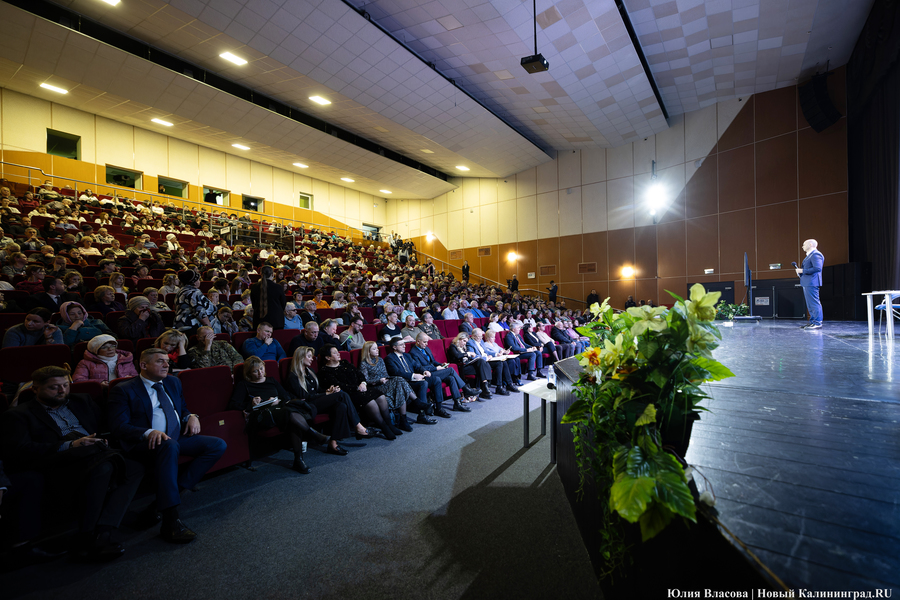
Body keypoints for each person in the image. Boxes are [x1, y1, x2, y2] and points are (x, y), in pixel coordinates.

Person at [0, 366, 144, 562]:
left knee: (134, 467)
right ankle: (88, 535)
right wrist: (71, 444)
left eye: (65, 385)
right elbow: (22, 450)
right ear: (35, 389)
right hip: (60, 461)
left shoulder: (82, 400)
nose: (62, 391)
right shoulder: (19, 414)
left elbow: (104, 426)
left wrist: (102, 440)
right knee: (107, 465)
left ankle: (103, 530)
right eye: (54, 387)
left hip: (96, 452)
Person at [108, 348, 227, 543]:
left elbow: (182, 408)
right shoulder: (124, 389)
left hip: (176, 437)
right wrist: (147, 432)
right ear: (143, 365)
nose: (166, 365)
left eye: (167, 361)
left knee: (217, 445)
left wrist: (191, 416)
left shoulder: (173, 382)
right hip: (145, 443)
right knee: (169, 446)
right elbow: (118, 426)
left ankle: (160, 503)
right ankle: (171, 521)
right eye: (160, 361)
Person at [230, 356, 330, 474]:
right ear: (249, 373)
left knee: (292, 419)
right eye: (255, 371)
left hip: (278, 409)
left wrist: (277, 401)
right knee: (289, 413)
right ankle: (312, 434)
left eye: (261, 369)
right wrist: (250, 403)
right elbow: (234, 404)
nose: (260, 373)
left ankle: (299, 460)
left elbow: (286, 396)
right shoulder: (244, 385)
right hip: (261, 415)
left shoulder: (271, 380)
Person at [283, 346, 372, 456]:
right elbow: (305, 396)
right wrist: (326, 394)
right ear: (301, 358)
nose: (312, 359)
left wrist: (328, 390)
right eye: (309, 356)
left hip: (316, 401)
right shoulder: (293, 376)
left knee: (341, 406)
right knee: (342, 395)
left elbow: (317, 389)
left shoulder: (309, 371)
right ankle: (358, 426)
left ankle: (333, 443)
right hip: (308, 406)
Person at [317, 345, 403, 439]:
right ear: (327, 357)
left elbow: (359, 374)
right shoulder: (324, 371)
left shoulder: (345, 363)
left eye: (338, 351)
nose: (338, 354)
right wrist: (357, 388)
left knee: (381, 397)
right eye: (335, 352)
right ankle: (384, 427)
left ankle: (389, 424)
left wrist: (363, 383)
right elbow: (339, 385)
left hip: (361, 388)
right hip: (349, 393)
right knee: (371, 402)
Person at [408, 332, 477, 411]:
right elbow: (420, 368)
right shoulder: (413, 353)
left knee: (451, 378)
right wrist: (436, 369)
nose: (426, 344)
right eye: (424, 342)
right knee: (451, 370)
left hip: (434, 371)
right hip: (427, 375)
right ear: (418, 341)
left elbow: (433, 361)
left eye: (427, 342)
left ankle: (457, 403)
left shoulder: (426, 348)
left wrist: (441, 364)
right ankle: (465, 389)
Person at [357, 341, 414, 431]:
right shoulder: (364, 364)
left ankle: (403, 419)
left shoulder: (380, 360)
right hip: (375, 387)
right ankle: (415, 404)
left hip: (385, 383)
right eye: (374, 348)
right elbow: (365, 380)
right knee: (399, 381)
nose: (377, 350)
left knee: (399, 383)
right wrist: (379, 380)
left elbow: (385, 374)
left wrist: (386, 379)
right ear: (368, 351)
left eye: (377, 348)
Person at [384, 337, 437, 424]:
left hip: (413, 380)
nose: (404, 346)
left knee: (436, 379)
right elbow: (396, 373)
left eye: (404, 344)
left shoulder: (407, 356)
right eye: (401, 345)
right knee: (423, 383)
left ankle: (438, 408)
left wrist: (424, 371)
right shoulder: (389, 358)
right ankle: (422, 415)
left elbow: (417, 366)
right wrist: (413, 375)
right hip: (403, 383)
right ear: (394, 347)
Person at [72, 334, 139, 385]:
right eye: (104, 347)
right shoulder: (85, 363)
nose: (110, 349)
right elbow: (78, 380)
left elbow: (136, 377)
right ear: (96, 350)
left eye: (113, 346)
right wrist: (99, 383)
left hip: (125, 390)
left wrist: (129, 378)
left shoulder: (125, 359)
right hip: (100, 393)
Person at [467, 328, 515, 396]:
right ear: (473, 336)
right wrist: (486, 358)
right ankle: (498, 387)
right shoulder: (470, 343)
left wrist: (495, 354)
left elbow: (486, 352)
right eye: (479, 336)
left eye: (481, 336)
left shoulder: (481, 341)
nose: (481, 338)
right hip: (480, 362)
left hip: (487, 359)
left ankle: (504, 385)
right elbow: (473, 356)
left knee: (502, 362)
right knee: (499, 363)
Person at [446, 332, 493, 399]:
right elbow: (457, 355)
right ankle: (485, 387)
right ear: (459, 339)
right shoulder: (453, 346)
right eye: (464, 341)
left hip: (468, 365)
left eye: (466, 341)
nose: (465, 343)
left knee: (482, 362)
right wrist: (468, 353)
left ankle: (484, 386)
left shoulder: (463, 348)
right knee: (481, 365)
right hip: (461, 367)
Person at [173, 269, 215, 335]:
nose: (199, 281)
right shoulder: (194, 292)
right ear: (194, 282)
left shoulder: (181, 291)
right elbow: (200, 312)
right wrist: (209, 329)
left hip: (181, 325)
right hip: (192, 327)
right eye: (198, 279)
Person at [797, 239, 824, 330]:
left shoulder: (816, 254)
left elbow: (817, 268)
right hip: (808, 282)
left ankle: (817, 322)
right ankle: (813, 322)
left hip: (812, 282)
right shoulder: (809, 256)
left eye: (804, 244)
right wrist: (801, 273)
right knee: (810, 304)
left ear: (811, 244)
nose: (802, 246)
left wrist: (803, 271)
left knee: (814, 303)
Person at [250, 265, 286, 330]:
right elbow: (283, 304)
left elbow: (253, 303)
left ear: (260, 274)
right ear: (272, 274)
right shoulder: (278, 287)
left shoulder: (254, 286)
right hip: (276, 320)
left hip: (259, 318)